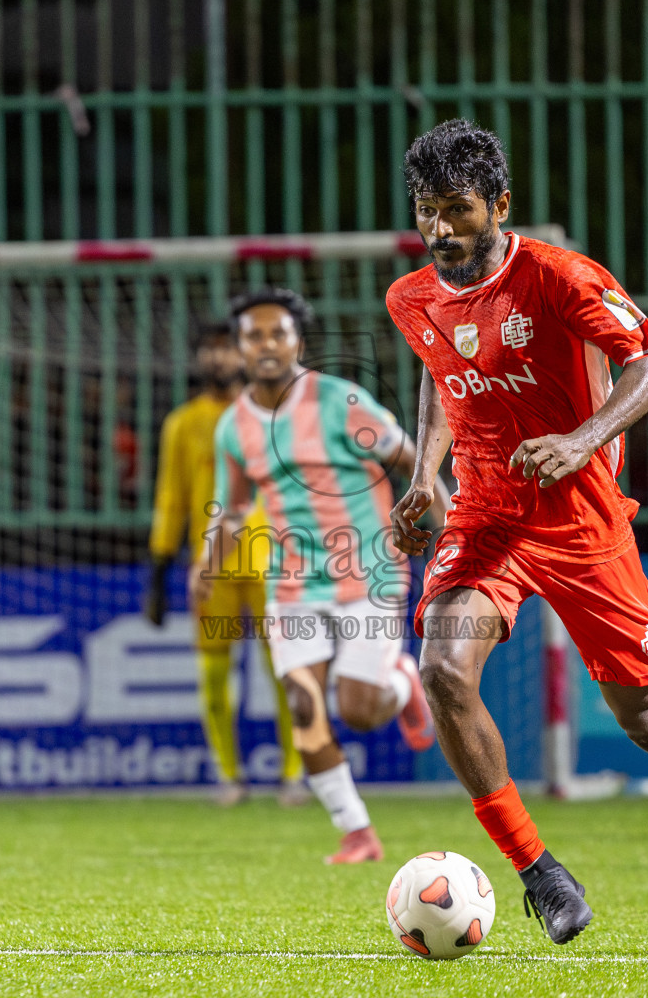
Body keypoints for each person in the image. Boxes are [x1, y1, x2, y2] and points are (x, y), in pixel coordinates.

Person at [386, 119, 648, 955]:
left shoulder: (559, 276)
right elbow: (441, 369)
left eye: (457, 209)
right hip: (486, 515)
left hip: (580, 516)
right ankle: (539, 875)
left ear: (500, 205)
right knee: (442, 668)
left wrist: (583, 438)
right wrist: (423, 476)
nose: (440, 229)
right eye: (426, 210)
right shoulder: (410, 297)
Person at [191, 287, 440, 864]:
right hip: (292, 585)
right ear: (237, 349)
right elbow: (230, 509)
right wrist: (206, 568)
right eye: (254, 335)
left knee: (357, 707)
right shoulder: (234, 427)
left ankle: (403, 682)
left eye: (278, 333)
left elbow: (412, 462)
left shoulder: (339, 400)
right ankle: (357, 832)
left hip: (368, 572)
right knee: (304, 707)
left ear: (298, 341)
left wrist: (455, 535)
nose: (267, 344)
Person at [148, 325, 306, 807]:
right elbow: (171, 497)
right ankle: (229, 776)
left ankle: (293, 774)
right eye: (209, 349)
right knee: (215, 676)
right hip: (209, 568)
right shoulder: (182, 423)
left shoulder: (269, 416)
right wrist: (158, 569)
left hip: (270, 562)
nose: (218, 359)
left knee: (284, 671)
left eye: (225, 349)